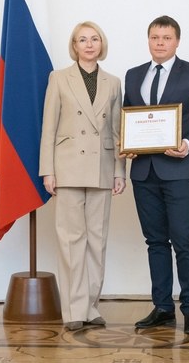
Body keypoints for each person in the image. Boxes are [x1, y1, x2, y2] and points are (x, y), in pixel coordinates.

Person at [123, 15, 189, 336]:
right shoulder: (133, 75)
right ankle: (163, 308)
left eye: (166, 38)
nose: (160, 43)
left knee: (183, 241)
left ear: (177, 41)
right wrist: (128, 144)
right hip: (144, 172)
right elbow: (129, 118)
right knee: (155, 241)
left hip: (180, 170)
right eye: (155, 37)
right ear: (148, 40)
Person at [39, 21, 126, 331]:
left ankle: (90, 307)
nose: (89, 45)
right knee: (71, 240)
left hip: (102, 167)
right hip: (68, 167)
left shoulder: (113, 82)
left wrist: (120, 171)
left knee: (97, 241)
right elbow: (49, 127)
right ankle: (74, 310)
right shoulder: (59, 78)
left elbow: (117, 131)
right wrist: (47, 170)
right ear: (74, 46)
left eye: (94, 39)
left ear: (102, 44)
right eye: (82, 40)